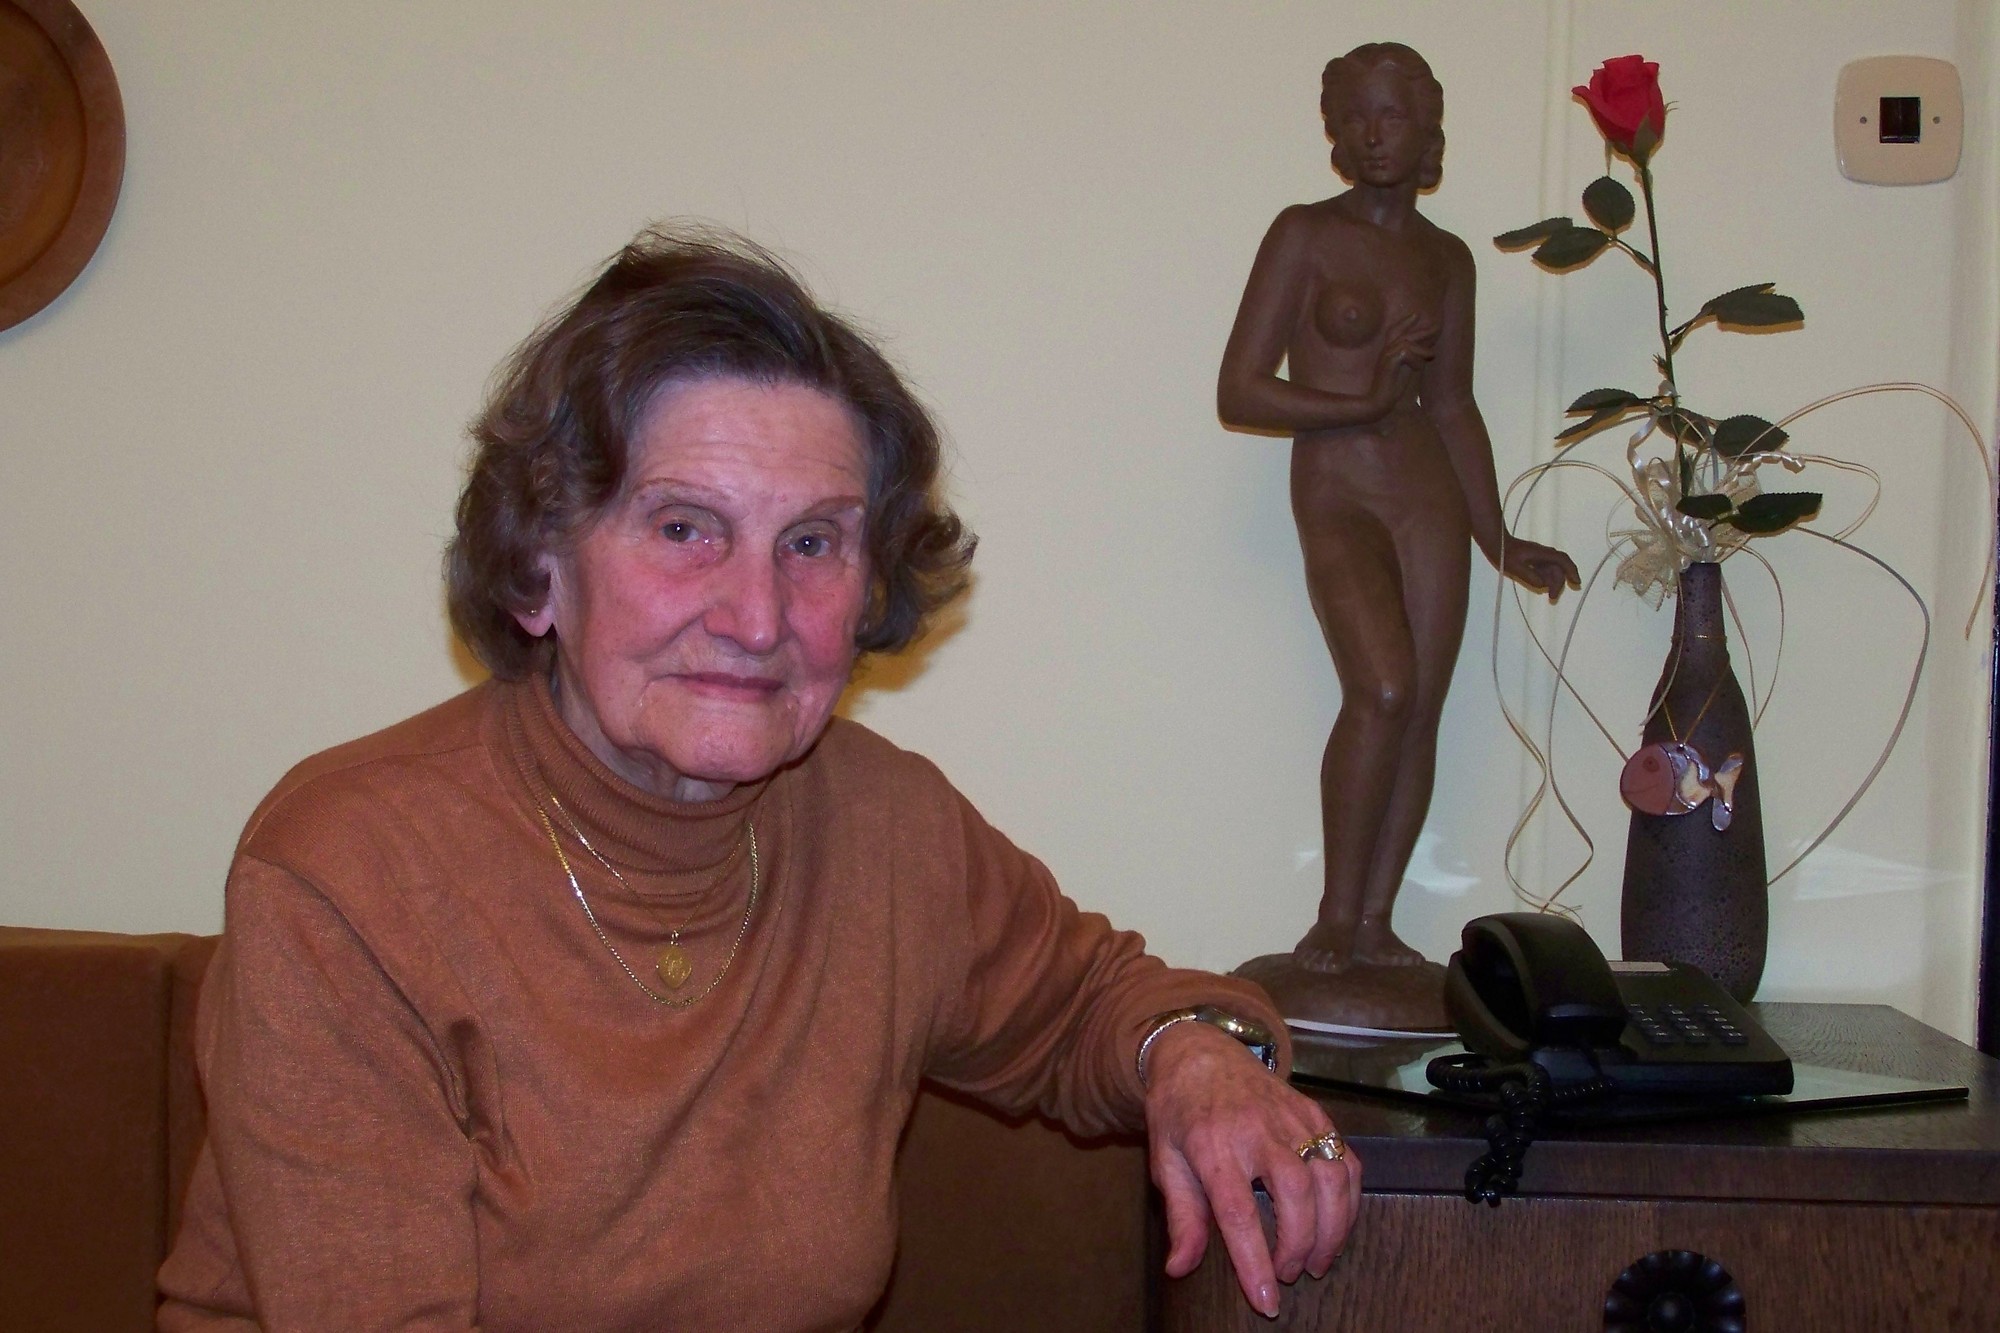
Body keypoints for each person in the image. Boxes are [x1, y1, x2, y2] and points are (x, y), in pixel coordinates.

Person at [157, 226, 1358, 1329]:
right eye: (683, 528)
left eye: (811, 542)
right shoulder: (352, 870)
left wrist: (1198, 1059)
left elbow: (1091, 1002)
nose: (756, 615)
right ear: (537, 571)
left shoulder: (882, 823)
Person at [1217, 43, 1580, 976]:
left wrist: (1498, 536)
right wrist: (1363, 403)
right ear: (1337, 131)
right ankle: (1333, 919)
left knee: (1419, 708)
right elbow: (1240, 389)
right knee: (1381, 687)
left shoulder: (1447, 260)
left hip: (1424, 489)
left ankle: (1376, 925)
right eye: (1359, 115)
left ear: (1427, 132)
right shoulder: (1304, 234)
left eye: (1394, 115)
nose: (1375, 133)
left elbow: (1451, 404)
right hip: (1336, 486)